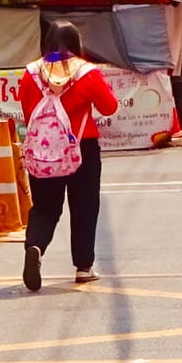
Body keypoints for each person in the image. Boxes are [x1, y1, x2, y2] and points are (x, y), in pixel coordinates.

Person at [20, 21, 120, 291]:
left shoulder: (31, 73)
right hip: (82, 148)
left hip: (43, 149)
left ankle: (36, 247)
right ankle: (83, 267)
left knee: (44, 207)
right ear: (77, 44)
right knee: (84, 207)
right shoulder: (86, 72)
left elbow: (29, 113)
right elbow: (109, 107)